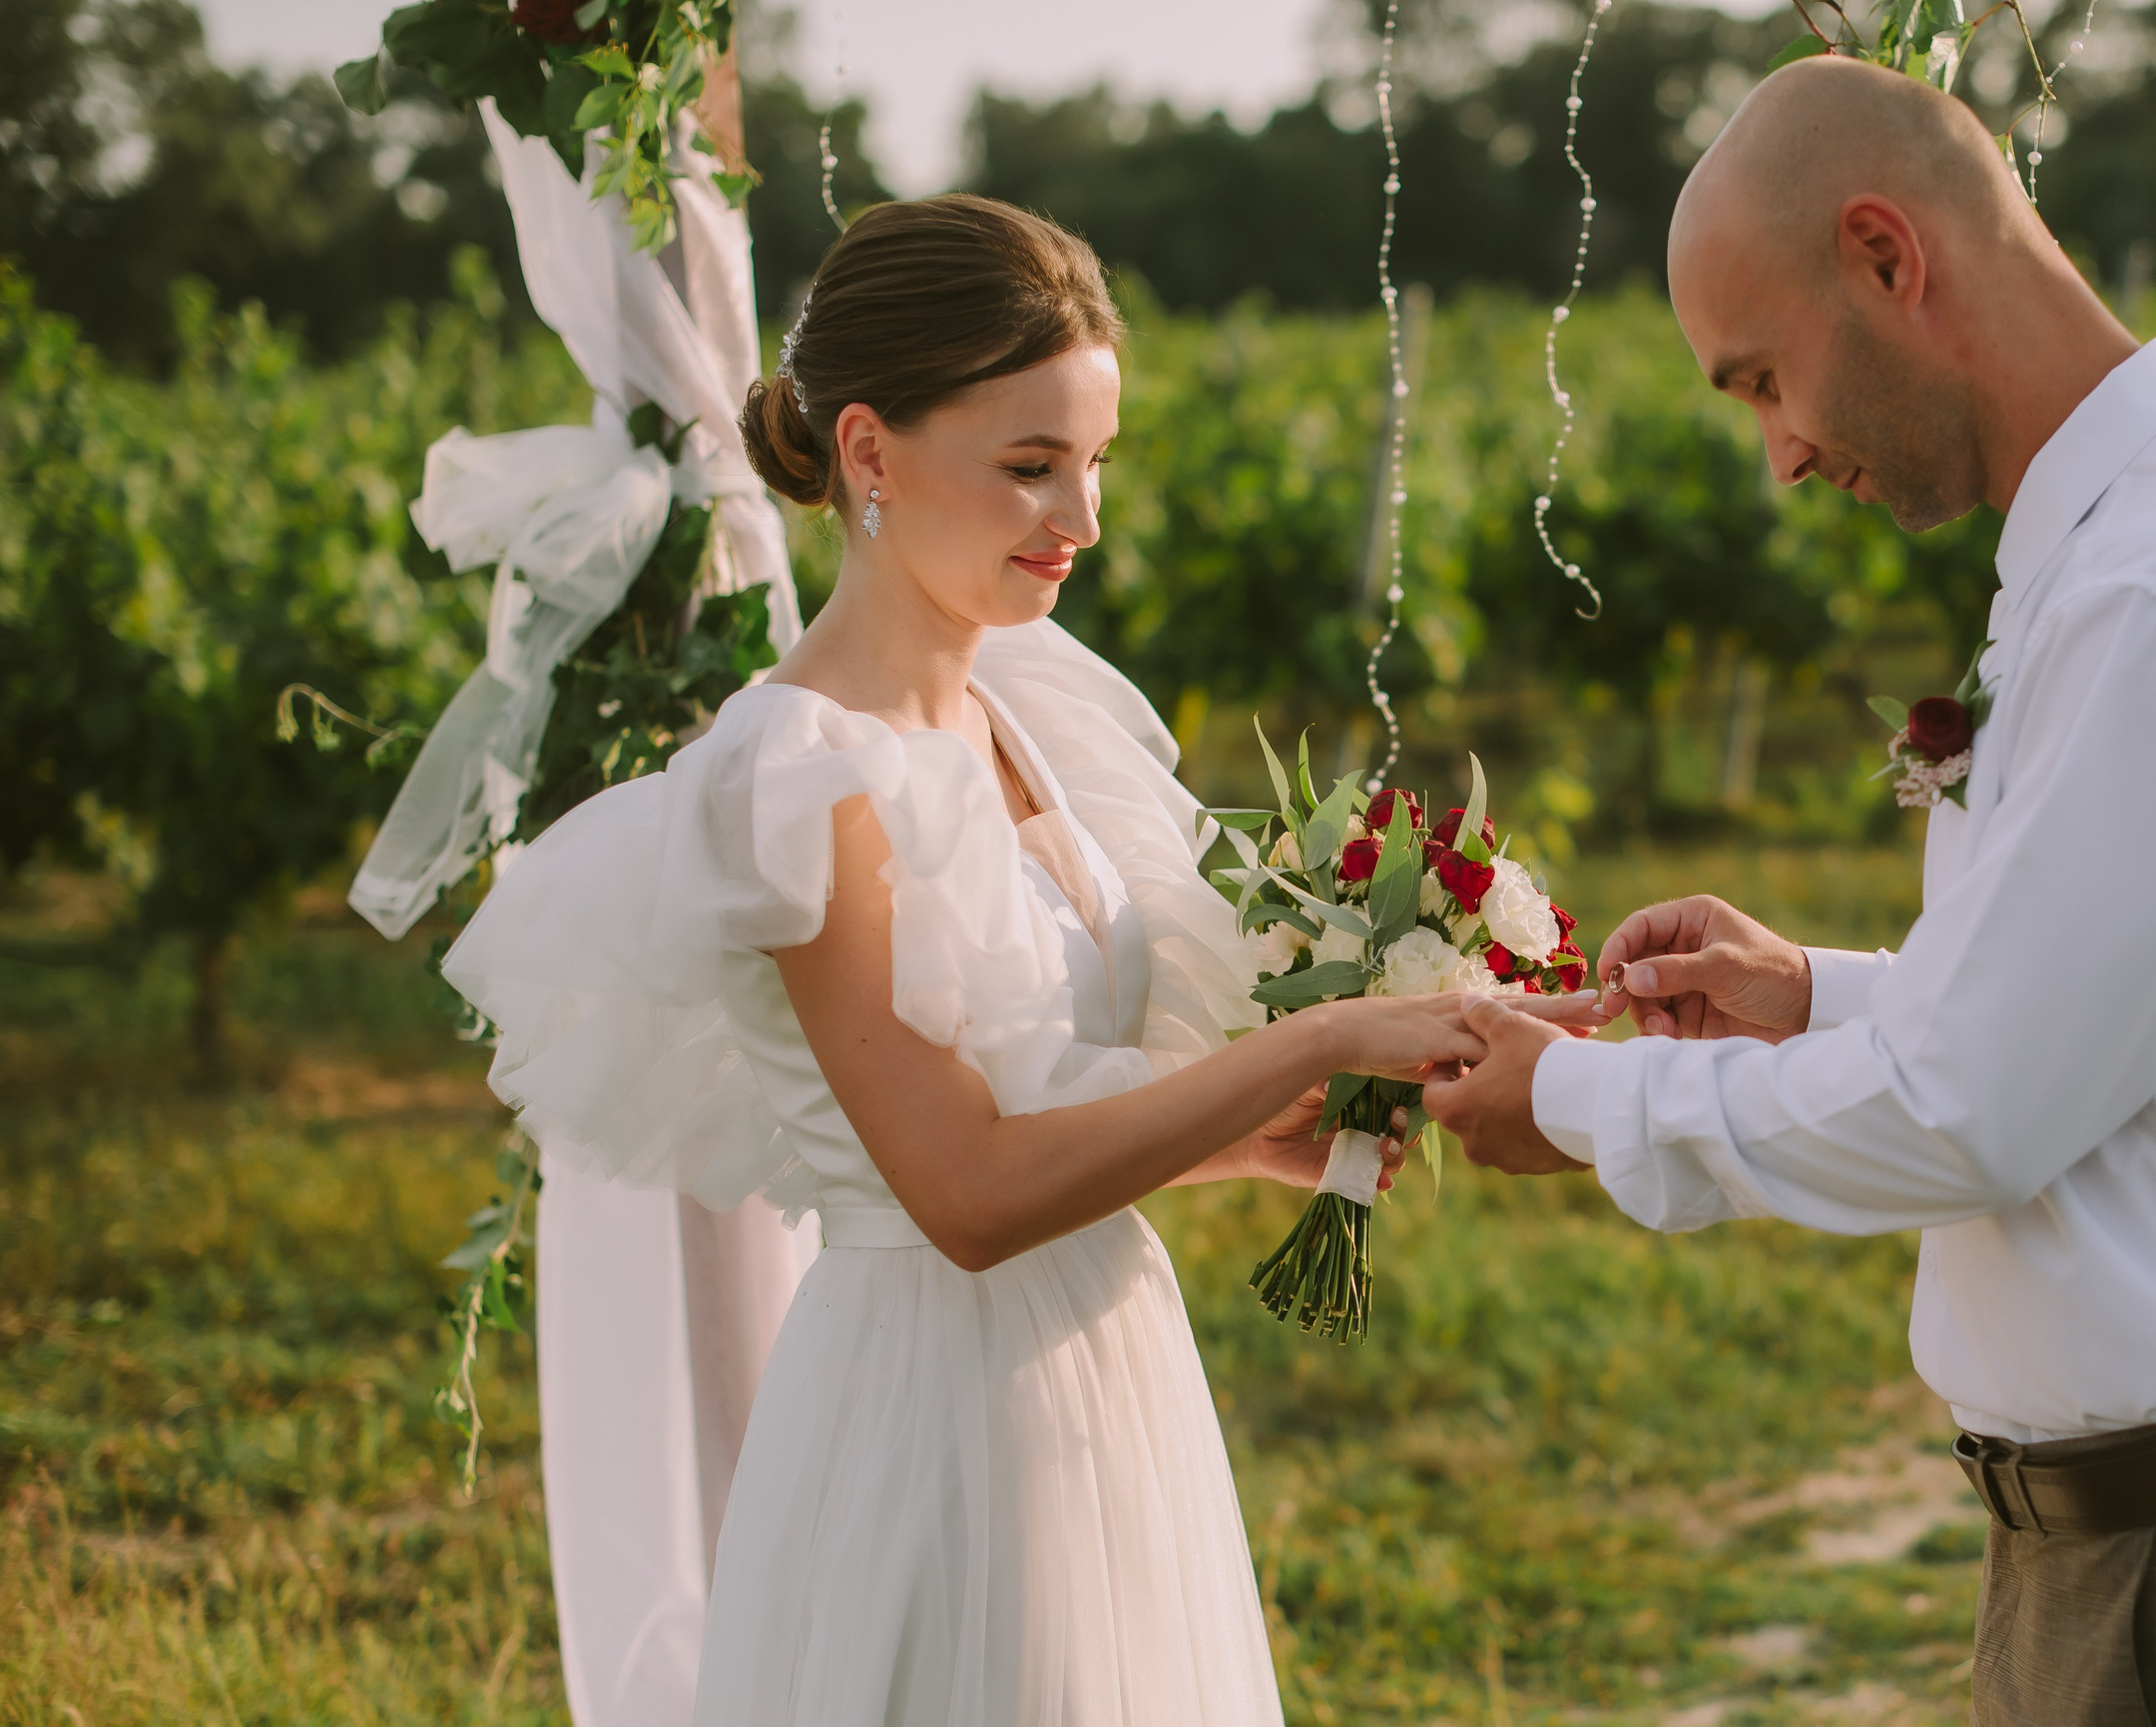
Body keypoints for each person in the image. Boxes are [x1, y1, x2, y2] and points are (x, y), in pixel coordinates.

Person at [444, 194, 1596, 1725]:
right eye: (1031, 466)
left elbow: (1035, 1104)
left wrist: (1246, 1143)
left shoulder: (1023, 709)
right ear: (869, 452)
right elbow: (965, 1195)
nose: (1083, 519)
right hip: (930, 1424)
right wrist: (1320, 1042)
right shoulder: (792, 774)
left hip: (1108, 1375)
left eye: (1094, 462)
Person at [1423, 56, 2156, 1727]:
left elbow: (1978, 1109)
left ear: (1887, 257)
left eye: (1762, 380)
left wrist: (1593, 1097)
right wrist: (1810, 991)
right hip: (2139, 1537)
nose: (1779, 456)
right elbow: (2114, 1021)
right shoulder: (2132, 551)